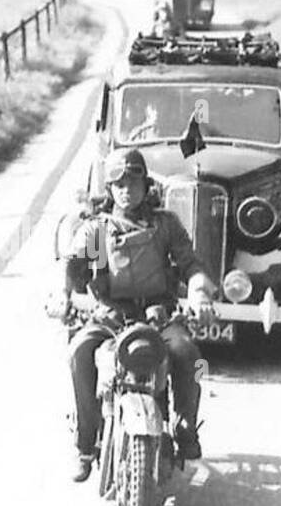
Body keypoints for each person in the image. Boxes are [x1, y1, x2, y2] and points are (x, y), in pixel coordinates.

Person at [64, 148, 218, 483]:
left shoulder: (165, 225)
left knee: (186, 352)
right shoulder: (99, 231)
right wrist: (71, 291)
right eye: (118, 182)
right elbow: (80, 273)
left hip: (158, 315)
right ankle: (86, 444)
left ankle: (185, 429)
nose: (125, 189)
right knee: (79, 352)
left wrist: (198, 292)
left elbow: (190, 264)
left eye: (133, 181)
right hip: (110, 317)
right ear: (109, 188)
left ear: (145, 184)